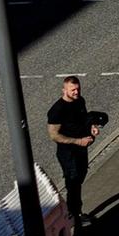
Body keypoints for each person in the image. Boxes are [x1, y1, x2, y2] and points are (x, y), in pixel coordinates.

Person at [47, 76, 98, 227]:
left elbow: (85, 118)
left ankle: (75, 212)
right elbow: (54, 135)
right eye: (73, 90)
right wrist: (78, 141)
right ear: (64, 90)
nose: (76, 92)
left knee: (79, 178)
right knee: (73, 182)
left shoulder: (80, 101)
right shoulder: (57, 110)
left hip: (81, 149)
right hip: (68, 152)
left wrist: (92, 127)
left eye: (78, 89)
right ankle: (73, 215)